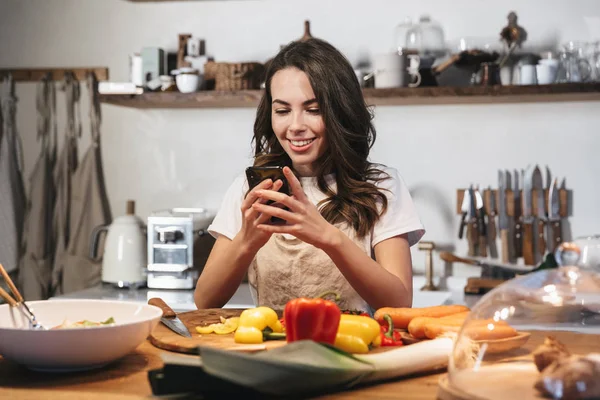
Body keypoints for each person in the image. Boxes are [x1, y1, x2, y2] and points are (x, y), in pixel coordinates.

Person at [194, 38, 424, 313]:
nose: (295, 126)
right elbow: (205, 301)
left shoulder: (381, 186)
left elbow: (399, 304)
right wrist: (246, 241)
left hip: (354, 352)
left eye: (313, 110)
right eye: (282, 111)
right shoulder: (251, 188)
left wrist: (329, 238)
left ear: (341, 111)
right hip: (271, 352)